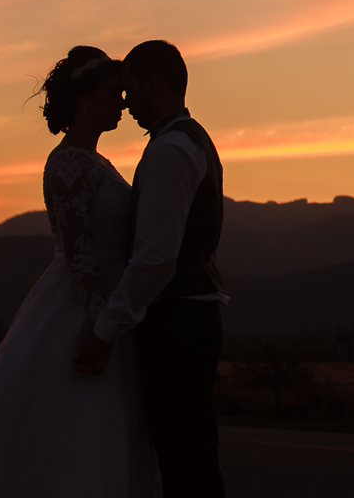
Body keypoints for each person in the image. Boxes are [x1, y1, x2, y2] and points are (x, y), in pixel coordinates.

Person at [0, 46, 160, 498]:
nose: (122, 104)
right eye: (112, 93)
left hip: (108, 301)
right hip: (83, 304)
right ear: (83, 99)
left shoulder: (95, 161)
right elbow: (80, 252)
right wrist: (102, 326)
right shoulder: (69, 162)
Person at [75, 40, 227, 498]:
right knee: (188, 454)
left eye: (130, 91)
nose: (126, 104)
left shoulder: (168, 150)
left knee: (185, 460)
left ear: (153, 84)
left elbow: (156, 257)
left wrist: (107, 328)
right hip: (190, 313)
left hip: (177, 320)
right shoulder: (192, 138)